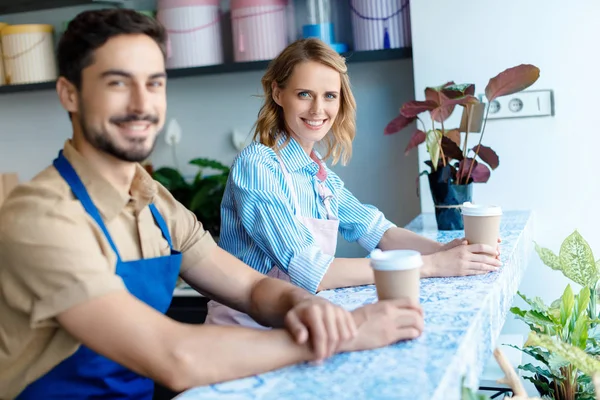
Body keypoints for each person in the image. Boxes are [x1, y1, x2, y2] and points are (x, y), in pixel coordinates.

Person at [0, 10, 425, 400]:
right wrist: (345, 332)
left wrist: (302, 305)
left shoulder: (153, 203)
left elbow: (252, 287)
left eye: (154, 83)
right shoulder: (40, 217)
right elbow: (175, 357)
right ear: (69, 94)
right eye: (117, 82)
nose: (141, 103)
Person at [206, 38, 502, 328]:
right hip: (242, 331)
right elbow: (311, 271)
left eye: (329, 96)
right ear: (277, 93)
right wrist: (433, 267)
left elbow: (379, 232)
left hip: (291, 325)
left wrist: (446, 250)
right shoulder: (258, 164)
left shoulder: (320, 178)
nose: (318, 109)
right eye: (304, 94)